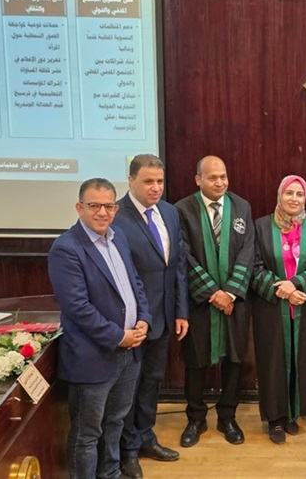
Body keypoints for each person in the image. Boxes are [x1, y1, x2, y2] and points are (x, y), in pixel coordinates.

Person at [48, 178, 152, 479]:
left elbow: (135, 284)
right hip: (93, 358)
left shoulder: (118, 238)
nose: (102, 212)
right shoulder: (66, 248)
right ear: (79, 207)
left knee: (115, 422)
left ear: (116, 209)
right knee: (87, 434)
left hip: (129, 354)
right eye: (94, 206)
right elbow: (78, 308)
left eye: (109, 206)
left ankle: (110, 474)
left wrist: (143, 318)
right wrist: (119, 336)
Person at [114, 154, 189, 478]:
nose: (155, 187)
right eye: (148, 181)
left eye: (159, 181)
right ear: (131, 180)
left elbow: (178, 266)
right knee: (129, 387)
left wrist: (181, 311)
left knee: (152, 381)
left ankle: (145, 437)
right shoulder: (116, 216)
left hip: (165, 317)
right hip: (133, 322)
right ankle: (127, 449)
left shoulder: (170, 212)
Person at [174, 156, 254, 447]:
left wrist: (230, 292)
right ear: (198, 180)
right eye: (212, 177)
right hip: (200, 302)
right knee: (196, 361)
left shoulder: (241, 207)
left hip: (234, 302)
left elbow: (248, 252)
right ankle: (195, 418)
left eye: (223, 176)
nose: (220, 182)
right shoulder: (182, 210)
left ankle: (227, 417)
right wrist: (213, 293)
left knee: (233, 360)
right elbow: (183, 255)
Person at [250, 174, 306, 444]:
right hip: (271, 309)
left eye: (299, 194)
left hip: (305, 307)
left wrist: (295, 286)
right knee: (273, 363)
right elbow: (255, 268)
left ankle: (293, 413)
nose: (294, 199)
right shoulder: (261, 226)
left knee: (300, 360)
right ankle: (275, 418)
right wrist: (283, 290)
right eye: (289, 193)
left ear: (305, 198)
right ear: (279, 195)